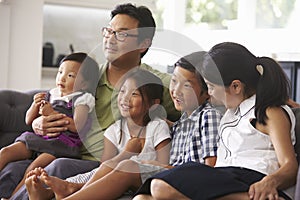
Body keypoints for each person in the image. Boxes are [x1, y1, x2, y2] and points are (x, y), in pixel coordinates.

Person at [0, 3, 180, 199]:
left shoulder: (159, 84)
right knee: (15, 168)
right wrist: (38, 122)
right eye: (108, 31)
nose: (110, 39)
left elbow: (194, 116)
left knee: (59, 166)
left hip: (103, 163)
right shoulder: (85, 75)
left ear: (143, 44)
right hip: (62, 148)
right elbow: (54, 102)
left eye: (121, 34)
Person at [24, 51, 221, 200]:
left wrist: (155, 162)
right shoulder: (181, 123)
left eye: (186, 85)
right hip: (169, 174)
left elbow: (208, 169)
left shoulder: (208, 115)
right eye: (174, 81)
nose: (176, 90)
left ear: (206, 93)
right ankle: (67, 187)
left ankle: (69, 193)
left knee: (127, 164)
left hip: (184, 179)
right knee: (114, 165)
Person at [133, 42, 298, 200]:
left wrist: (270, 182)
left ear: (235, 87)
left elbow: (289, 166)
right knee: (142, 197)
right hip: (226, 180)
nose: (209, 93)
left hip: (253, 179)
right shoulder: (231, 113)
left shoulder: (269, 112)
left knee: (160, 187)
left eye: (211, 87)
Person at [25, 68, 171, 200]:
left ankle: (69, 191)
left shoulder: (157, 127)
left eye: (134, 94)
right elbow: (104, 167)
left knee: (112, 168)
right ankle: (50, 192)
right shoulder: (114, 130)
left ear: (153, 104)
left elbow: (164, 165)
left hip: (145, 178)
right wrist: (124, 155)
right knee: (86, 176)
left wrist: (127, 154)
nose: (125, 98)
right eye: (122, 91)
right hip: (113, 176)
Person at [0, 52, 99, 197]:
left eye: (70, 75)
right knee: (5, 152)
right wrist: (34, 105)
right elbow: (28, 120)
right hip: (37, 138)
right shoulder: (51, 94)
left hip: (59, 145)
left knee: (32, 170)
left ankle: (12, 197)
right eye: (60, 72)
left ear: (84, 84)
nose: (62, 78)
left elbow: (78, 127)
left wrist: (51, 113)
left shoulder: (82, 99)